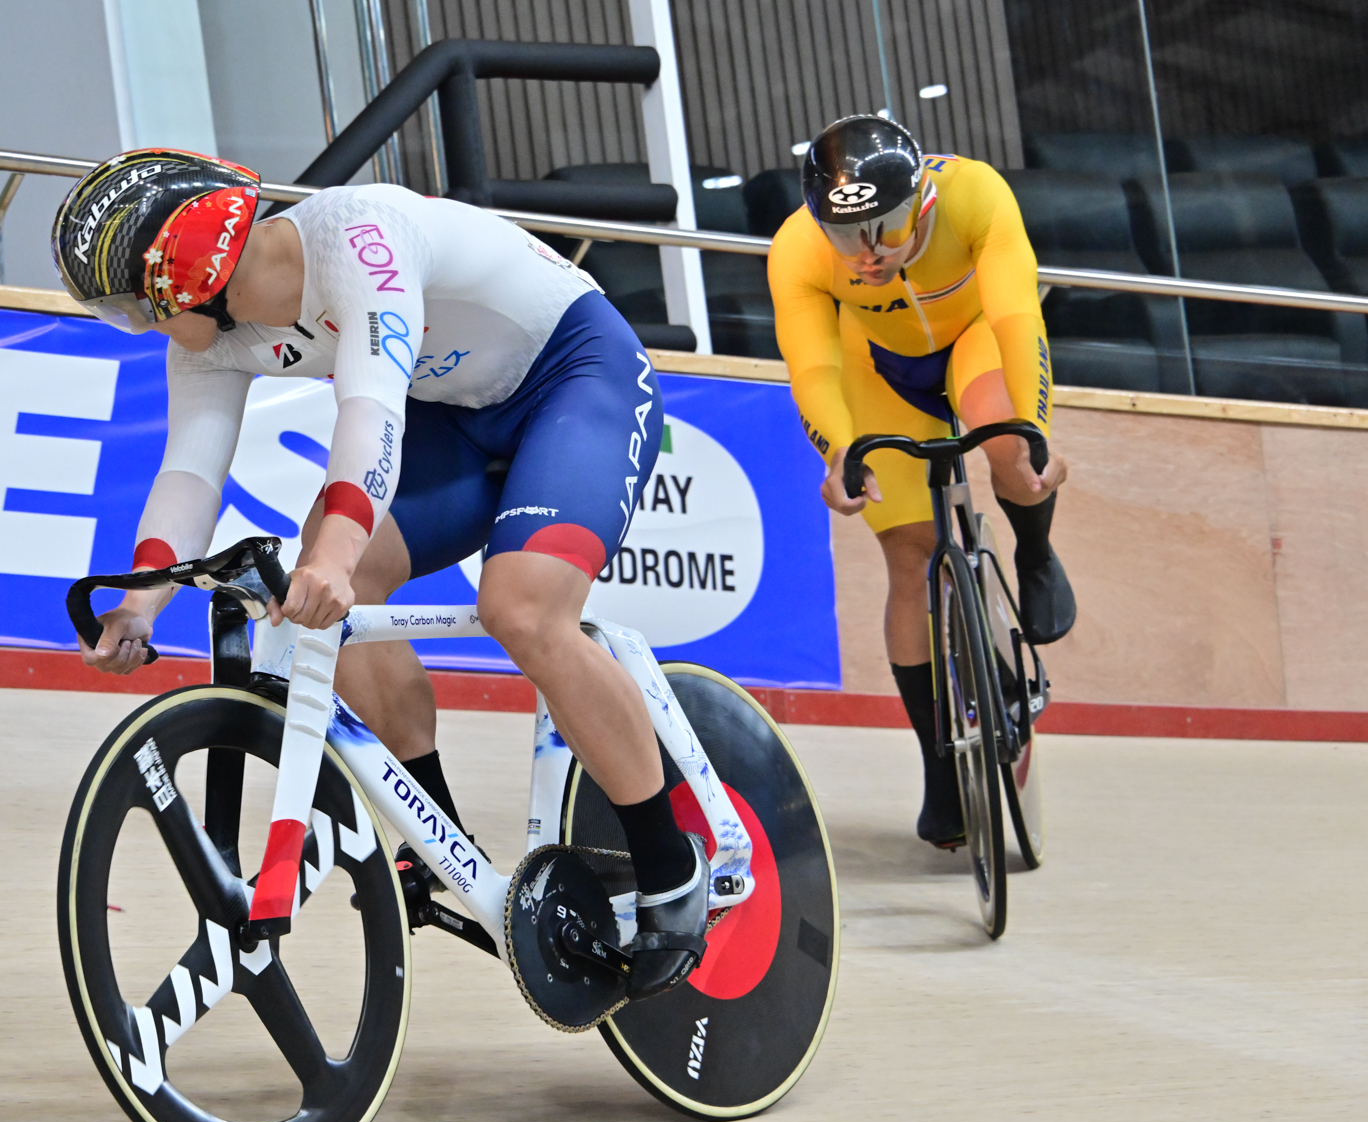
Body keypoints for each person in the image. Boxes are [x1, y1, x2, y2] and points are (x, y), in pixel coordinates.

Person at [55, 148, 728, 1000]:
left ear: (186, 273)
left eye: (131, 308)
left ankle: (672, 870)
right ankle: (435, 830)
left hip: (576, 375)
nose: (140, 327)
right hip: (461, 412)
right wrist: (139, 602)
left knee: (521, 608)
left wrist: (334, 552)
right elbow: (190, 472)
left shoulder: (359, 238)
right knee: (329, 591)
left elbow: (369, 416)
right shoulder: (209, 341)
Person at [768, 115, 1074, 848]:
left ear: (923, 204)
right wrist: (840, 451)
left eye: (886, 228)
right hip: (880, 368)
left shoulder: (975, 197)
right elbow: (813, 366)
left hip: (974, 341)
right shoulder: (798, 248)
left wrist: (1032, 431)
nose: (868, 254)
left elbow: (1013, 316)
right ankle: (941, 769)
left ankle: (1033, 549)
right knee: (910, 557)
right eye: (848, 237)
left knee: (1010, 452)